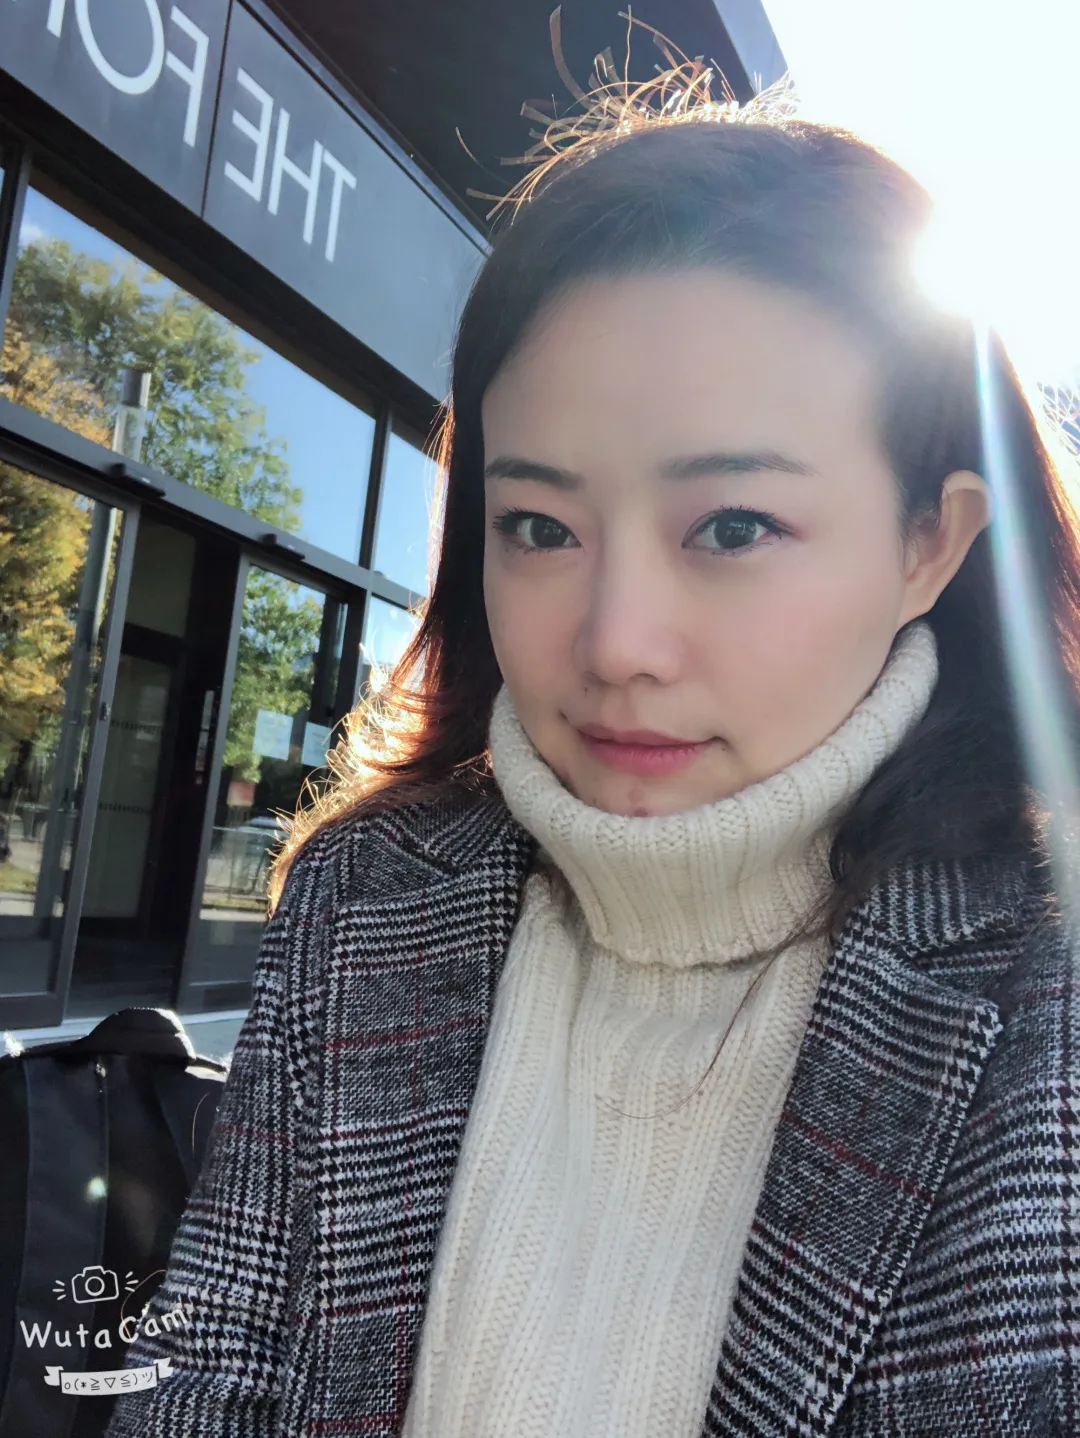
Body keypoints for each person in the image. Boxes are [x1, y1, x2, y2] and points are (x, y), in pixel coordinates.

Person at [105, 57, 1080, 1438]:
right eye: (541, 528)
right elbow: (208, 1375)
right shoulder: (364, 903)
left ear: (932, 541)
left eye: (732, 526)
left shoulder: (1044, 983)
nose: (617, 642)